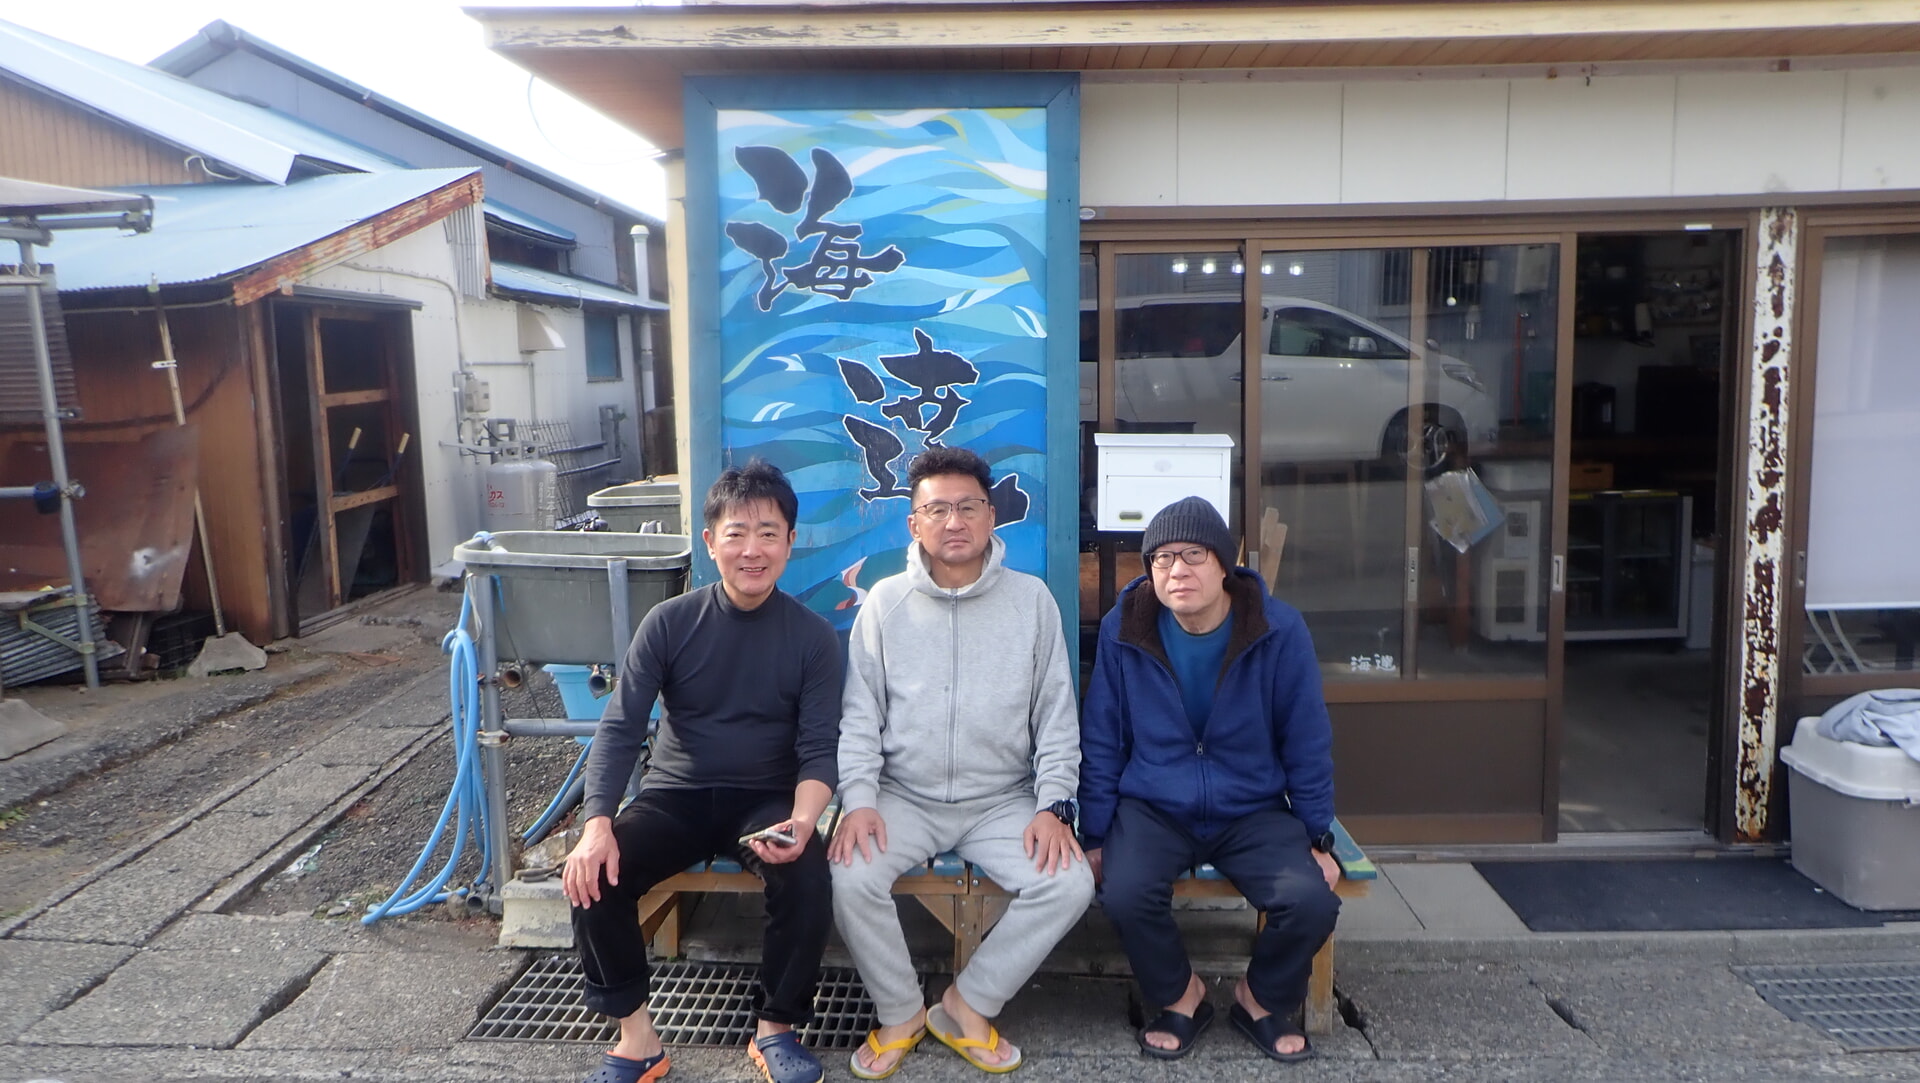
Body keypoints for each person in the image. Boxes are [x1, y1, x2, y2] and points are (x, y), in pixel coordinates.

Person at [562, 460, 842, 1083]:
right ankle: (638, 1040)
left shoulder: (815, 638)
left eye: (769, 533)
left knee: (807, 872)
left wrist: (802, 820)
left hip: (767, 800)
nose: (752, 549)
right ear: (710, 541)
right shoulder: (670, 622)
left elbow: (821, 747)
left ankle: (776, 1029)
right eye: (736, 532)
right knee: (593, 874)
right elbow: (621, 724)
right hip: (676, 797)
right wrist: (596, 822)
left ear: (791, 543)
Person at [830, 446, 1093, 1079]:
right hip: (903, 795)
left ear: (992, 516)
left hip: (1001, 798)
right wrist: (859, 799)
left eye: (968, 507)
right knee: (850, 875)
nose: (954, 521)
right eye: (937, 509)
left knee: (1070, 882)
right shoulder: (884, 604)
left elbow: (1057, 717)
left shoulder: (1033, 603)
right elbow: (859, 716)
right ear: (913, 523)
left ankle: (965, 1003)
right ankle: (900, 1011)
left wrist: (1055, 805)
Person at [1078, 496, 1340, 1063]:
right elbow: (1102, 737)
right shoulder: (1126, 629)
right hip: (1155, 804)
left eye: (1194, 555)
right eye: (1163, 559)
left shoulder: (1277, 629)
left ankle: (1261, 999)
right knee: (1122, 894)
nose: (1178, 571)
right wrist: (1095, 836)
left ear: (1224, 563)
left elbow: (1308, 738)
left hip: (1253, 806)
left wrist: (1318, 835)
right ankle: (1180, 994)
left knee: (1311, 900)